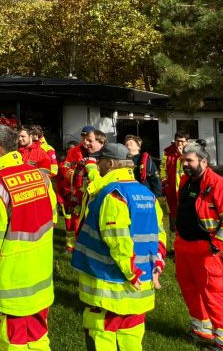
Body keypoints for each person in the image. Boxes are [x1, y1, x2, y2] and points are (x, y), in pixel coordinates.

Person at [0, 123, 57, 350]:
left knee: (11, 341)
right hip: (40, 278)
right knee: (38, 337)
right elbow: (52, 217)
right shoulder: (38, 176)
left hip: (11, 285)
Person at [71, 143, 166, 350]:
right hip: (142, 283)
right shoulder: (146, 194)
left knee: (101, 333)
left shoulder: (114, 194)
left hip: (110, 284)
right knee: (131, 334)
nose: (97, 165)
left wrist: (131, 272)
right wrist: (158, 262)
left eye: (100, 161)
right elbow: (159, 232)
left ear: (110, 163)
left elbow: (117, 239)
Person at [174, 141, 223, 348]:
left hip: (207, 249)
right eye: (183, 161)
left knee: (213, 295)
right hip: (184, 245)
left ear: (204, 161)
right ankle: (202, 331)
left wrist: (215, 247)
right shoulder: (186, 181)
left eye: (189, 161)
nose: (185, 164)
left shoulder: (221, 185)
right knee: (189, 289)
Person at [61, 126, 94, 252]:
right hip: (77, 191)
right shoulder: (73, 151)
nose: (85, 142)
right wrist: (76, 177)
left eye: (89, 139)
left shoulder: (98, 151)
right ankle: (73, 246)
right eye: (83, 138)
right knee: (75, 218)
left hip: (93, 191)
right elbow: (65, 168)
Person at [163, 131, 188, 232]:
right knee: (172, 215)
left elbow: (191, 167)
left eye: (182, 141)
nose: (180, 144)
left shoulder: (192, 152)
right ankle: (173, 243)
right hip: (171, 189)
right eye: (178, 141)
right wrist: (165, 183)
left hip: (186, 188)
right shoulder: (168, 152)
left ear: (187, 141)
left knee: (186, 214)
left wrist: (182, 155)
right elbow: (162, 168)